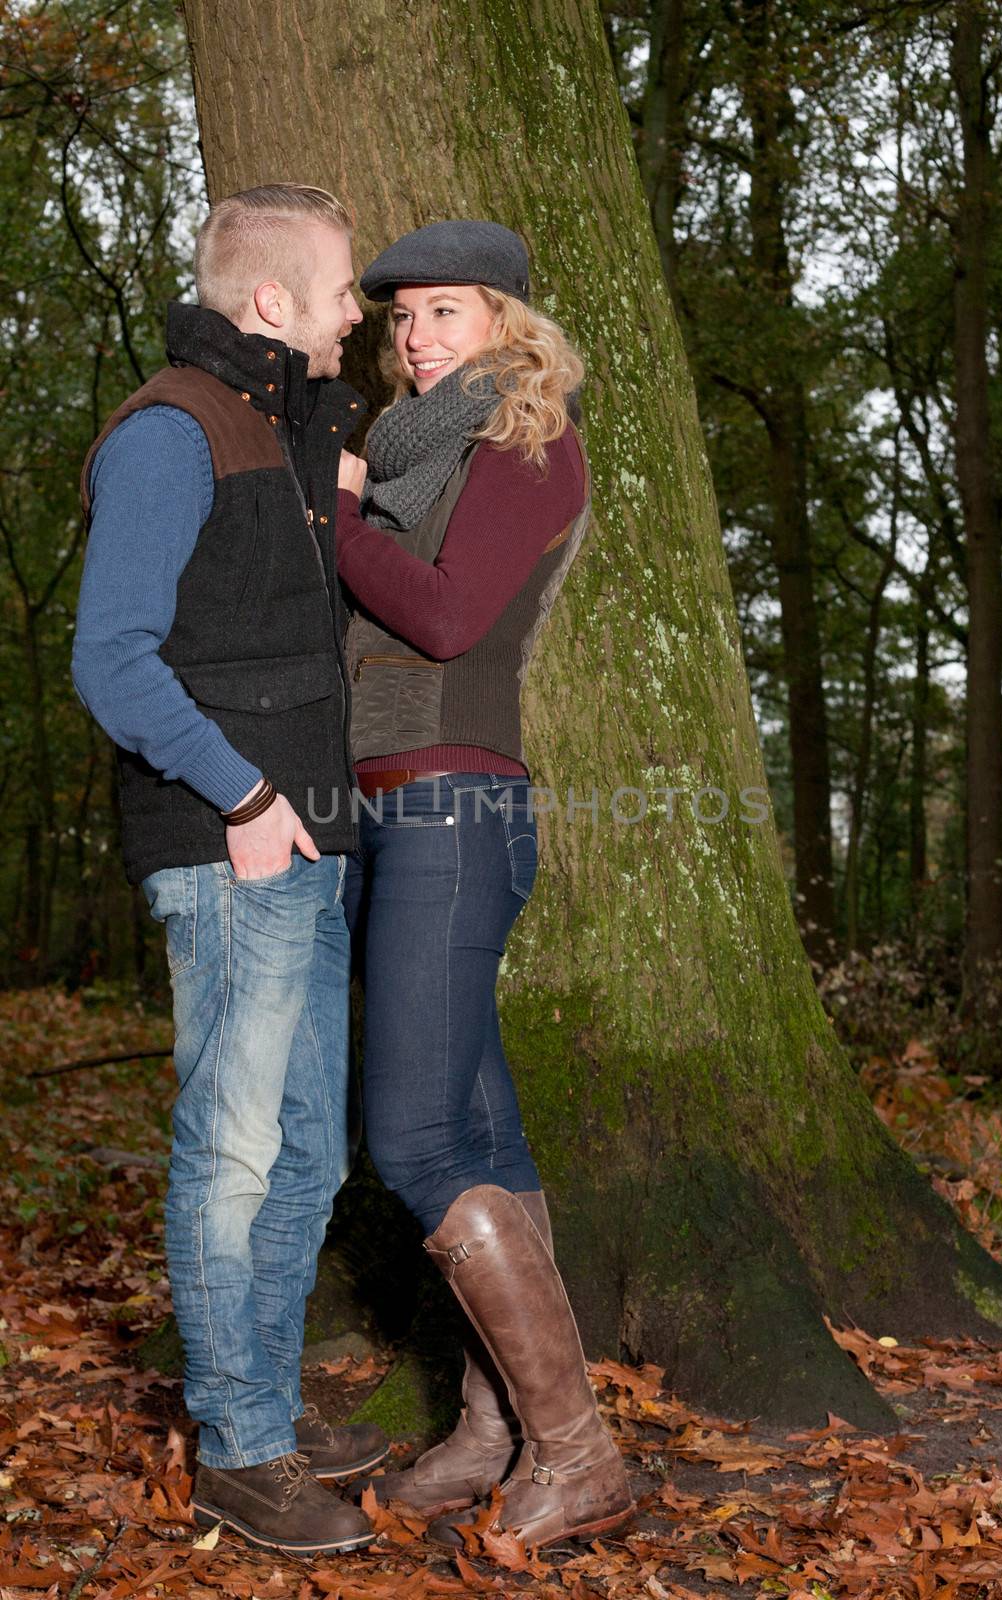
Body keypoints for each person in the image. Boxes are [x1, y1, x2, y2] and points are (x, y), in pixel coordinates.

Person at [72, 184, 386, 1558]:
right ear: (272, 305)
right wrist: (247, 797)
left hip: (308, 847)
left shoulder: (280, 427)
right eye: (342, 289)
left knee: (309, 1153)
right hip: (231, 844)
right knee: (239, 1155)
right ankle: (239, 1449)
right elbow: (112, 659)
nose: (360, 311)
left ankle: (267, 1404)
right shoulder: (170, 431)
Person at [334, 219, 634, 1548]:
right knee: (485, 1142)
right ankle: (495, 1426)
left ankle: (583, 1455)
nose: (413, 335)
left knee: (411, 1139)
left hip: (454, 811)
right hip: (394, 811)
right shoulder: (418, 453)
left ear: (505, 323)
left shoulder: (526, 443)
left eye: (443, 312)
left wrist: (330, 513)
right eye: (401, 317)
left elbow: (449, 619)